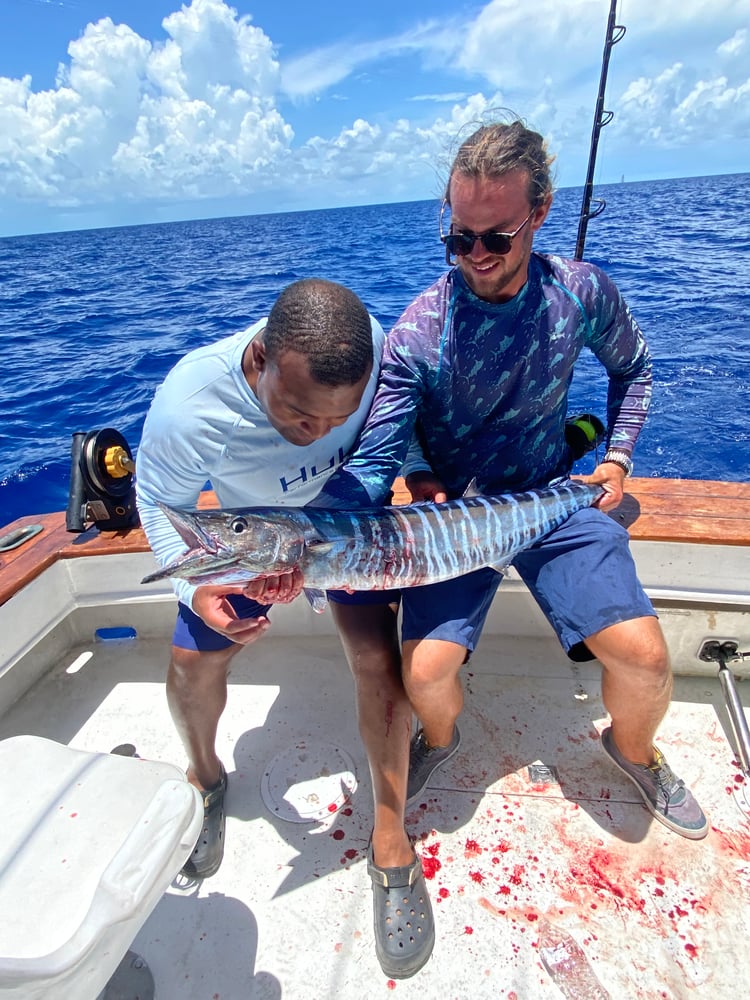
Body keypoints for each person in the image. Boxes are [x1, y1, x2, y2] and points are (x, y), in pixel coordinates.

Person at [312, 117, 708, 972]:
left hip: (552, 499)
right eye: (458, 235)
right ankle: (445, 744)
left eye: (494, 235)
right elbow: (375, 459)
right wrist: (322, 524)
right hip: (455, 522)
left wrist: (617, 456)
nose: (473, 253)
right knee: (423, 679)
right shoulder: (420, 329)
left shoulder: (583, 292)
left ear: (541, 215)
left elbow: (635, 370)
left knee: (643, 661)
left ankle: (630, 753)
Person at [136, 278, 415, 901]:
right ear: (261, 358)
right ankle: (205, 780)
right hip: (252, 547)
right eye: (299, 414)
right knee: (190, 664)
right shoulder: (192, 405)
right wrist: (194, 591)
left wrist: (416, 470)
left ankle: (391, 834)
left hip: (348, 534)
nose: (319, 433)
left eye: (336, 419)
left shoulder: (365, 344)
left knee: (380, 662)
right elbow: (160, 503)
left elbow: (400, 414)